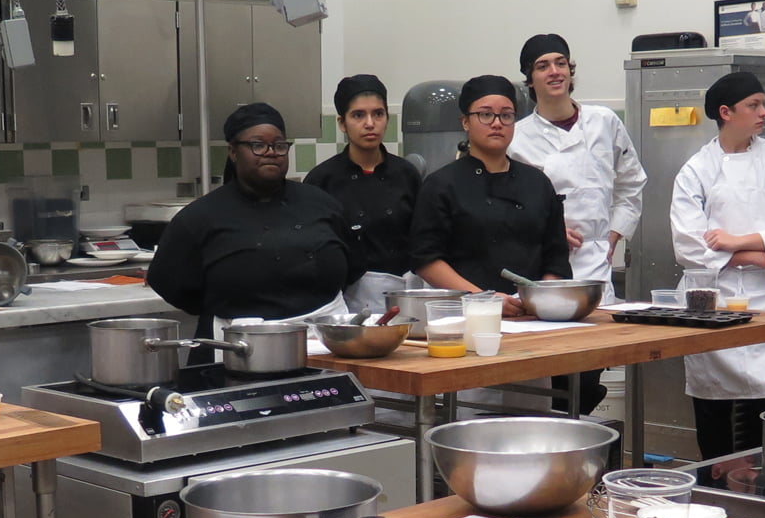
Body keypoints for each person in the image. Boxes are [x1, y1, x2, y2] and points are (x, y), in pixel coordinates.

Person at [670, 72, 765, 460]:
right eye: (754, 105)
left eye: (763, 103)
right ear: (725, 113)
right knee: (713, 410)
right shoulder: (696, 170)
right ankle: (714, 487)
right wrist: (758, 254)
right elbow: (688, 245)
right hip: (710, 300)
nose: (764, 112)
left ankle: (764, 493)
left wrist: (736, 242)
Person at [509, 34, 644, 413]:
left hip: (595, 264)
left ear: (571, 70)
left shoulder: (603, 122)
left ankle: (581, 427)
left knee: (588, 369)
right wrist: (546, 232)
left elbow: (632, 183)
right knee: (551, 366)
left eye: (560, 63)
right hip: (544, 270)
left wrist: (614, 235)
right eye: (542, 65)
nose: (554, 71)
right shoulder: (517, 138)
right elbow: (510, 206)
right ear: (529, 78)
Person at [150, 103, 360, 334]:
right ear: (233, 151)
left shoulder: (321, 204)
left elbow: (353, 264)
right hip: (240, 344)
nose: (271, 152)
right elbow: (168, 283)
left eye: (279, 145)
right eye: (257, 145)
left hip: (324, 339)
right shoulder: (200, 217)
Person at [411, 74, 571, 322]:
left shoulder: (537, 183)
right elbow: (425, 259)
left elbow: (556, 257)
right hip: (466, 316)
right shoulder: (442, 184)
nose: (497, 123)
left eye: (506, 115)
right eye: (485, 114)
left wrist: (539, 298)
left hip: (532, 319)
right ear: (465, 122)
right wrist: (482, 298)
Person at [303, 76, 422, 314]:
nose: (370, 123)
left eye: (378, 114)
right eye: (358, 115)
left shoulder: (407, 174)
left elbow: (422, 237)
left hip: (407, 296)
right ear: (342, 123)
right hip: (348, 301)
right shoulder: (321, 180)